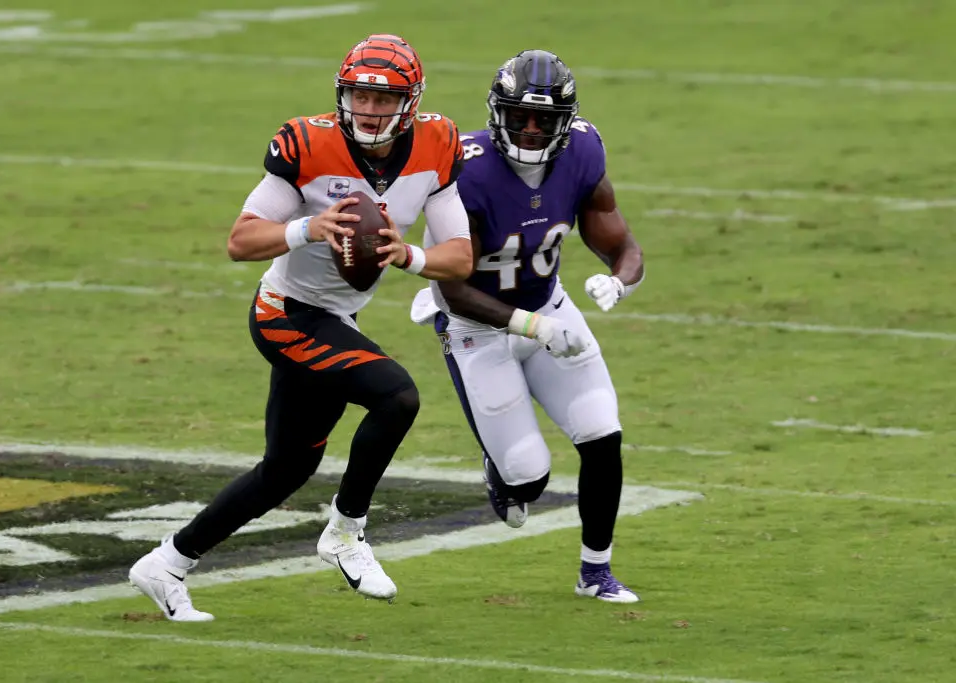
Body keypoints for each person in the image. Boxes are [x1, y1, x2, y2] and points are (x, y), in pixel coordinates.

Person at [129, 33, 472, 621]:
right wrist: (307, 229)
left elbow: (461, 256)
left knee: (285, 471)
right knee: (396, 397)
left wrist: (405, 255)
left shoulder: (436, 145)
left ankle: (165, 564)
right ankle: (346, 531)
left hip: (336, 315)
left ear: (410, 102)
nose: (368, 110)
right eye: (358, 97)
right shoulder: (308, 145)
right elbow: (240, 241)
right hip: (286, 313)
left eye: (383, 98)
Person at [410, 49, 645, 603]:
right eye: (520, 116)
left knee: (602, 433)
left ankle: (596, 572)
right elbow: (452, 286)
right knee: (527, 480)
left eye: (545, 119)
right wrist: (534, 328)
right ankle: (501, 467)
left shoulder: (583, 151)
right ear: (499, 114)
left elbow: (621, 242)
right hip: (475, 323)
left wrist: (619, 281)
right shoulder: (464, 168)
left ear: (568, 122)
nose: (532, 129)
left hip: (548, 303)